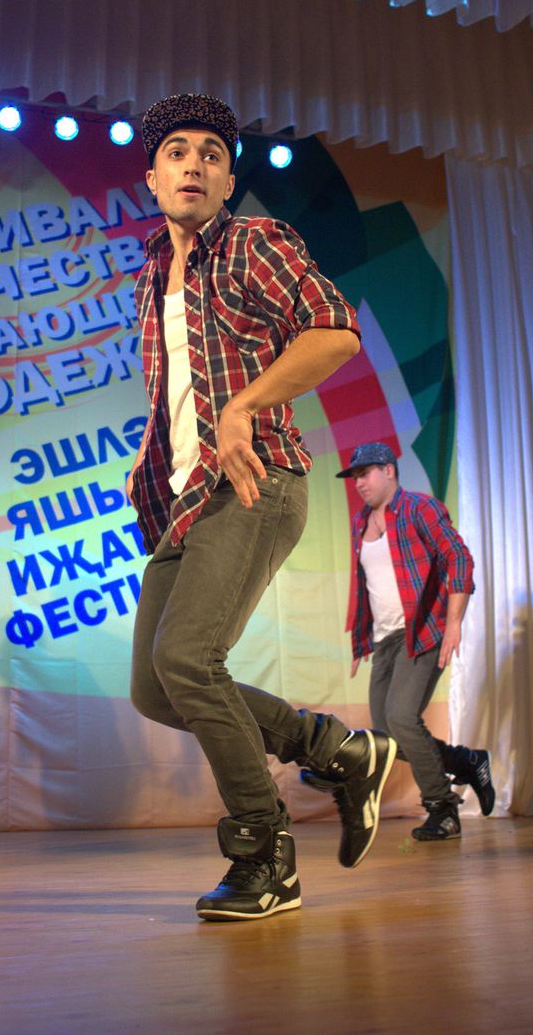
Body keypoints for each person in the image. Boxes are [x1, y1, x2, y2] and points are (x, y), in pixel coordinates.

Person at [126, 93, 396, 921]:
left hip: (256, 481)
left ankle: (264, 854)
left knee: (187, 660)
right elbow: (179, 388)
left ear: (227, 179)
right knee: (156, 689)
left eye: (211, 154)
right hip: (187, 498)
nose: (195, 165)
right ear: (152, 177)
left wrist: (244, 406)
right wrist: (153, 452)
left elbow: (334, 331)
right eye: (178, 152)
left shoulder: (253, 242)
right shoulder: (151, 272)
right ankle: (337, 751)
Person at [328, 442, 494, 840]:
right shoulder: (359, 522)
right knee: (387, 737)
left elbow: (459, 559)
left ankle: (443, 809)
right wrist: (361, 639)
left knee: (402, 718)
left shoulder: (420, 509)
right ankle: (465, 761)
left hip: (421, 632)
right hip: (384, 640)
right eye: (354, 477)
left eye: (365, 473)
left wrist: (453, 623)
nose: (359, 483)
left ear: (389, 470)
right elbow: (367, 584)